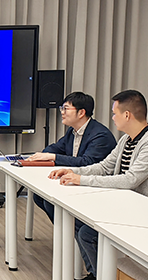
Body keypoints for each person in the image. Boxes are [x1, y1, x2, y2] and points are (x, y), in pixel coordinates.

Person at [49, 90, 148, 280]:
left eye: (115, 113)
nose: (112, 117)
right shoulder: (126, 140)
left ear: (127, 115)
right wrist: (72, 171)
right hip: (125, 205)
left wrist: (81, 180)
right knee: (79, 222)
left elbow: (130, 180)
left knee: (88, 233)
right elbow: (104, 167)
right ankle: (97, 275)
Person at [26, 92, 116, 223]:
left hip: (94, 185)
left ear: (81, 113)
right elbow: (57, 147)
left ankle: (72, 231)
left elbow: (87, 162)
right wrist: (41, 155)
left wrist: (52, 156)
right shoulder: (72, 130)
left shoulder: (100, 135)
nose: (62, 112)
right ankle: (66, 232)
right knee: (40, 197)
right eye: (62, 108)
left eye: (66, 108)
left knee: (51, 202)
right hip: (76, 179)